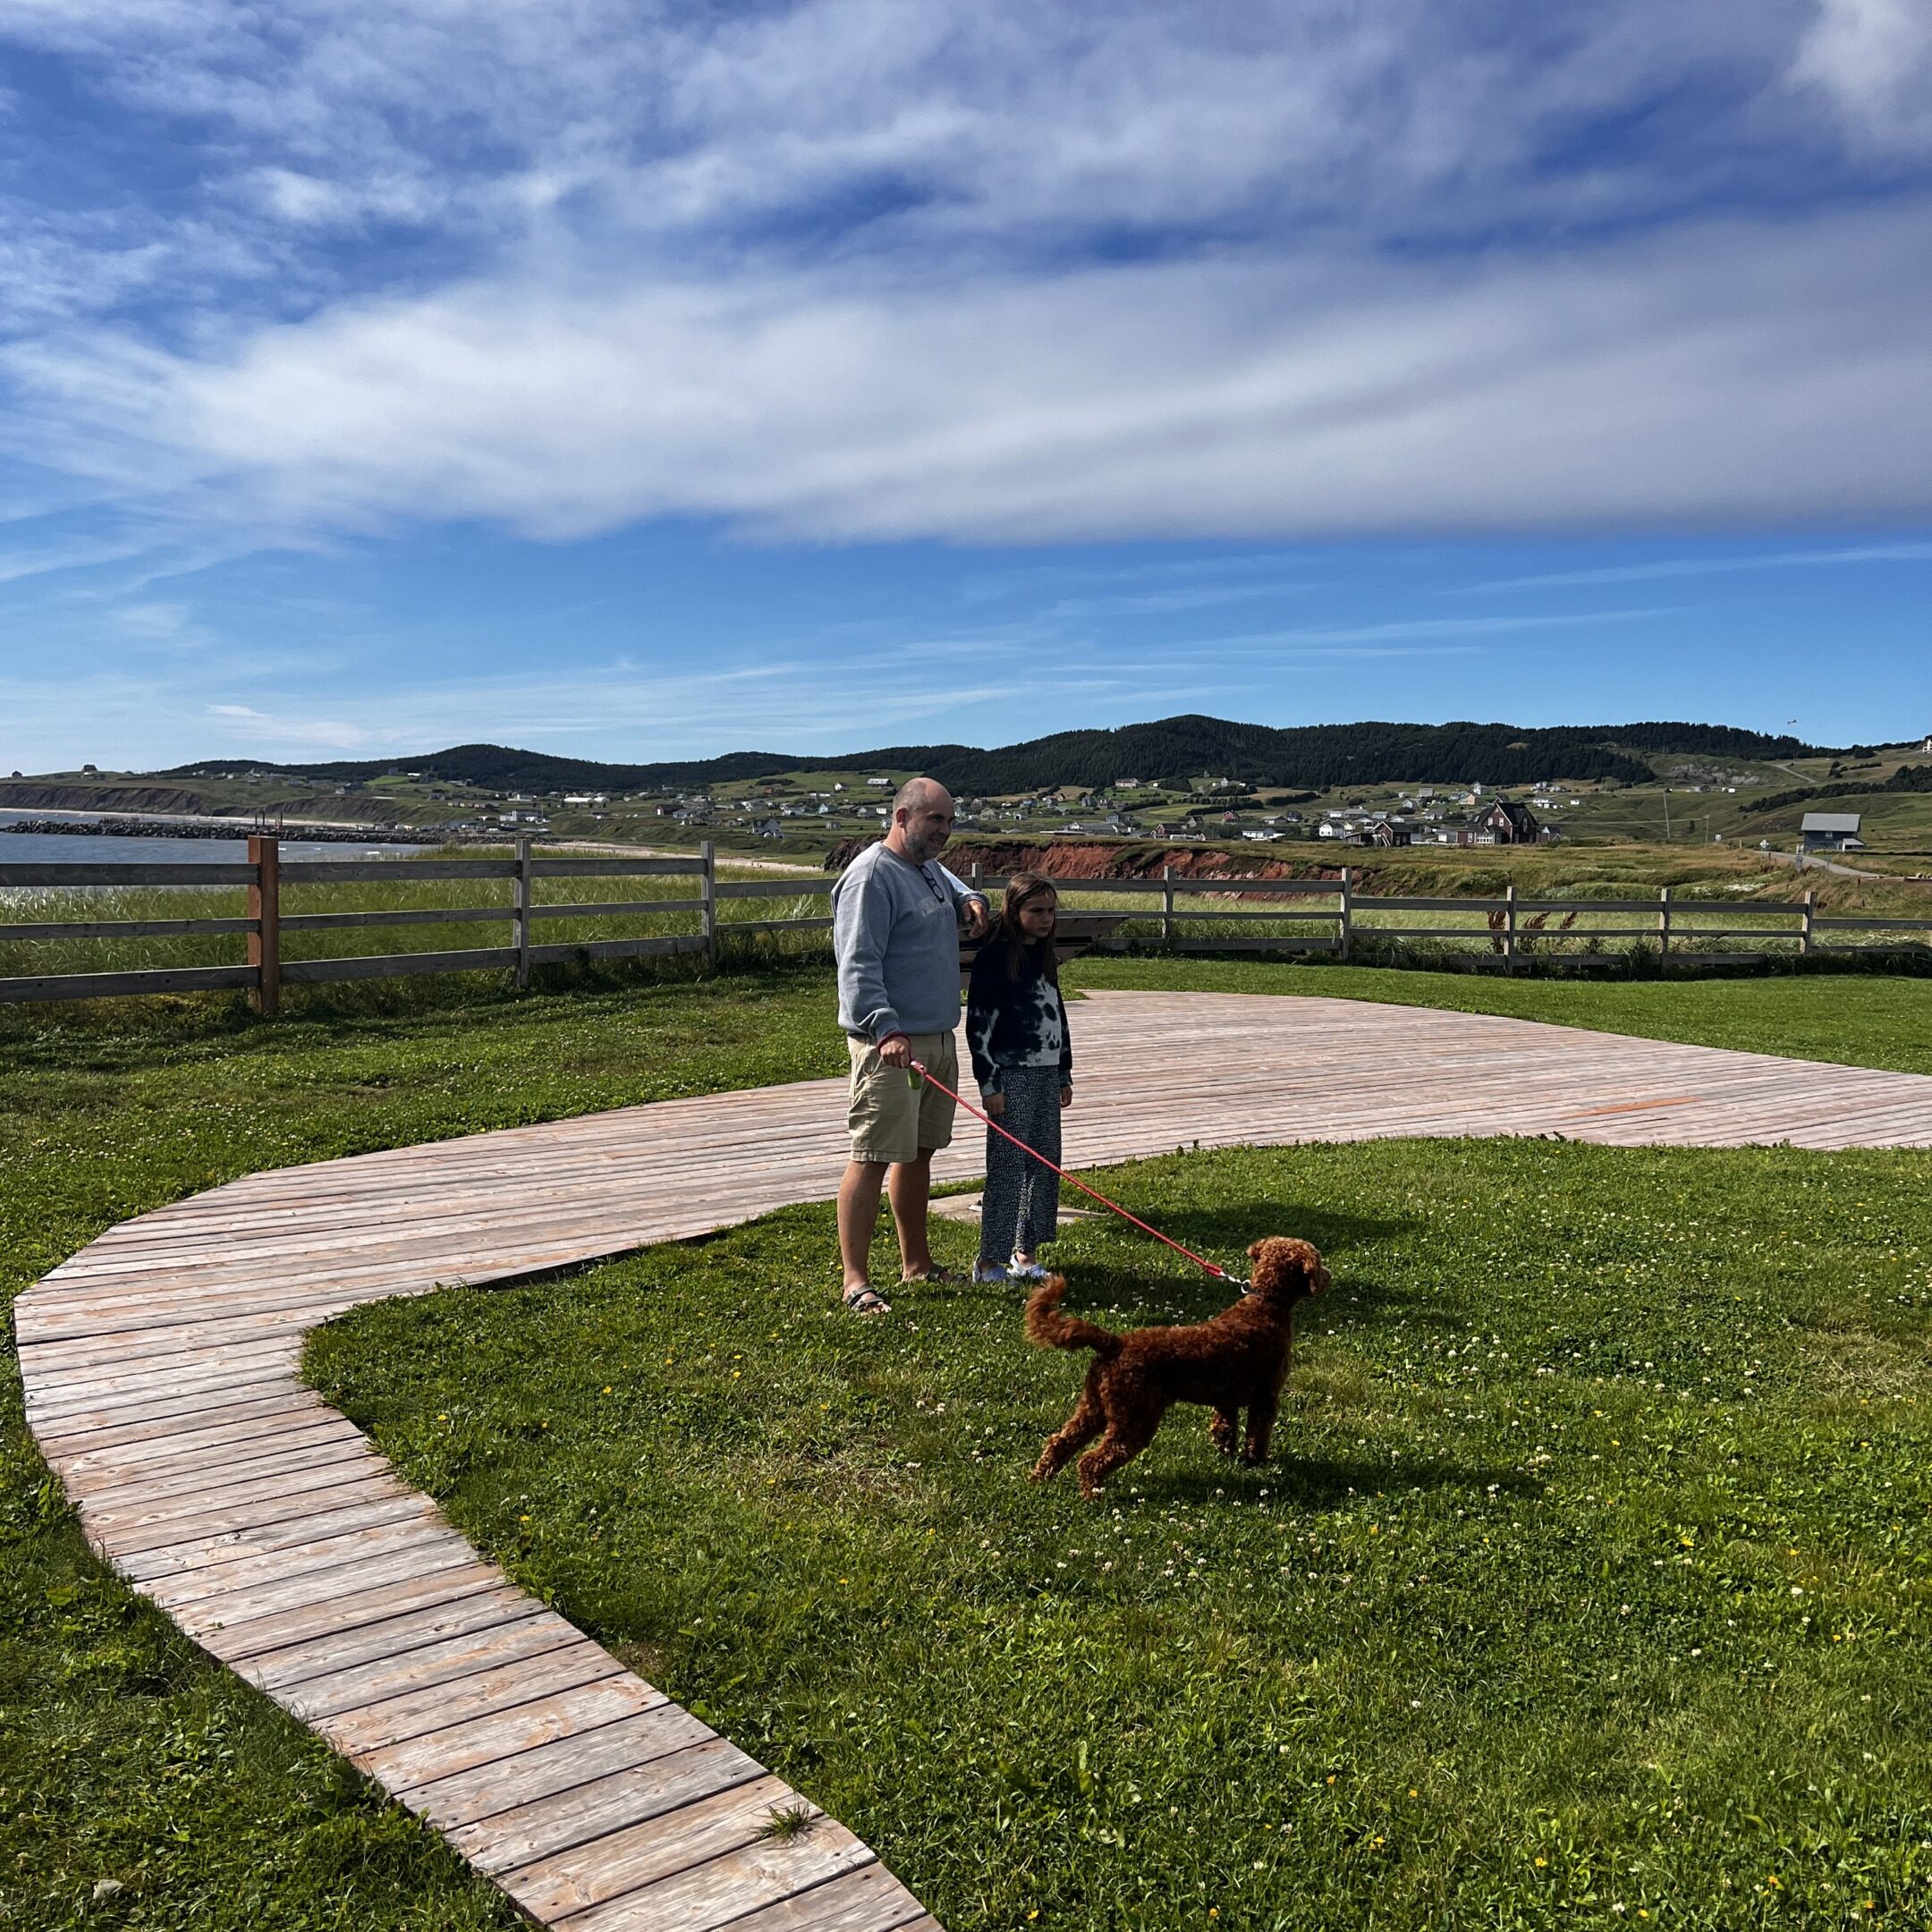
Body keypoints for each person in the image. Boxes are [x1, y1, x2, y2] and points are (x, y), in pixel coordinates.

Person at [831, 777, 990, 1315]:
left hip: (937, 1036)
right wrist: (885, 1029)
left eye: (950, 821)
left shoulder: (925, 867)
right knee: (873, 1155)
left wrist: (970, 897)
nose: (945, 831)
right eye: (935, 820)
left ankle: (916, 1264)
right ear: (902, 817)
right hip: (892, 1044)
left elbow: (948, 878)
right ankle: (855, 1281)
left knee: (920, 1153)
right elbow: (857, 963)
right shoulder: (871, 876)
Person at [965, 871, 1073, 1285]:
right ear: (1014, 911)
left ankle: (1025, 1254)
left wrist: (1063, 1070)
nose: (1046, 919)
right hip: (1011, 1076)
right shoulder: (995, 958)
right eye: (1036, 910)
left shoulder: (1044, 956)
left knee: (1043, 1165)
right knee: (1008, 1167)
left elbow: (1058, 1016)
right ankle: (989, 1260)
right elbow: (979, 1025)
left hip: (1046, 1074)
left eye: (1051, 911)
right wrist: (989, 1082)